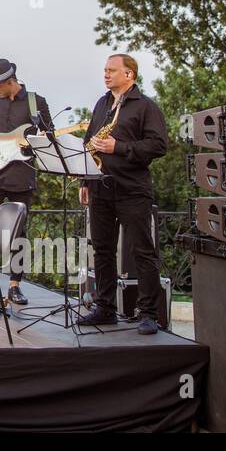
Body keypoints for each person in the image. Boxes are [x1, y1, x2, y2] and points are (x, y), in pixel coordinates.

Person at [76, 54, 168, 336]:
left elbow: (158, 145)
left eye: (112, 70)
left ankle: (149, 313)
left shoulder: (146, 107)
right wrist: (84, 179)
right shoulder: (102, 103)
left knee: (142, 251)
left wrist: (118, 147)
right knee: (102, 250)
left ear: (129, 74)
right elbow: (89, 142)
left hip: (132, 190)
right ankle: (104, 307)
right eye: (104, 70)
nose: (106, 75)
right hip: (100, 187)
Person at [0, 58, 52, 306]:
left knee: (19, 231)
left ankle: (15, 285)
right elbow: (3, 127)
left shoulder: (36, 101)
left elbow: (49, 133)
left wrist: (42, 137)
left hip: (21, 171)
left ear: (9, 82)